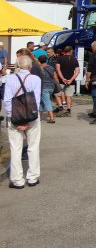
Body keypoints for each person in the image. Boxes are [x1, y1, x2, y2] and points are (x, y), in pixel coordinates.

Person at [4, 55, 42, 189]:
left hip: (15, 117)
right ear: (30, 66)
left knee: (15, 148)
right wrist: (28, 119)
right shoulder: (36, 79)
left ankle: (17, 180)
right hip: (32, 117)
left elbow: (7, 101)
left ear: (17, 65)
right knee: (33, 147)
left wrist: (14, 119)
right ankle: (32, 178)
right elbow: (36, 101)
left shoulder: (10, 79)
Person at [55, 46, 79, 117]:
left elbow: (57, 69)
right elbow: (77, 71)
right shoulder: (74, 59)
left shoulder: (59, 58)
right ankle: (68, 110)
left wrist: (62, 78)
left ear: (64, 51)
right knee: (69, 96)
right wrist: (71, 79)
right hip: (71, 81)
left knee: (57, 94)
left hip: (61, 80)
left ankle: (61, 108)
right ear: (71, 51)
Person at [38, 55, 56, 124]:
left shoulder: (40, 68)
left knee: (47, 102)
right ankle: (39, 117)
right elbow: (55, 77)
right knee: (42, 102)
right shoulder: (51, 67)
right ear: (46, 60)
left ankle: (52, 118)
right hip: (51, 86)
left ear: (39, 61)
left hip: (44, 86)